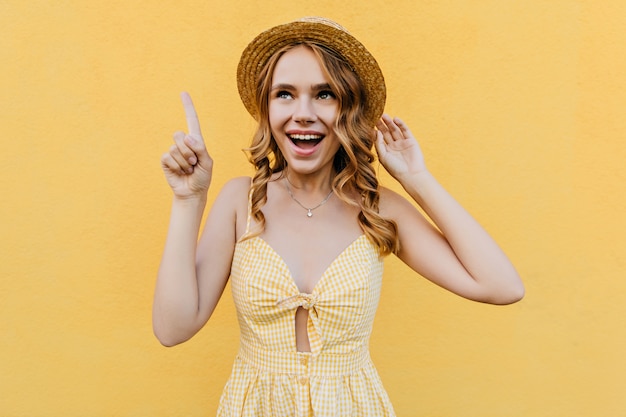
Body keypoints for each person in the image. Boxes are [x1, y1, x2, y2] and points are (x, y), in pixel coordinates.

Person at [153, 17, 524, 417]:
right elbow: (173, 329)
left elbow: (501, 286)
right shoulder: (238, 200)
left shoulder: (378, 210)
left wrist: (417, 179)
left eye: (324, 94)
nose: (304, 113)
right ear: (267, 108)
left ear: (347, 108)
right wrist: (188, 200)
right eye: (285, 94)